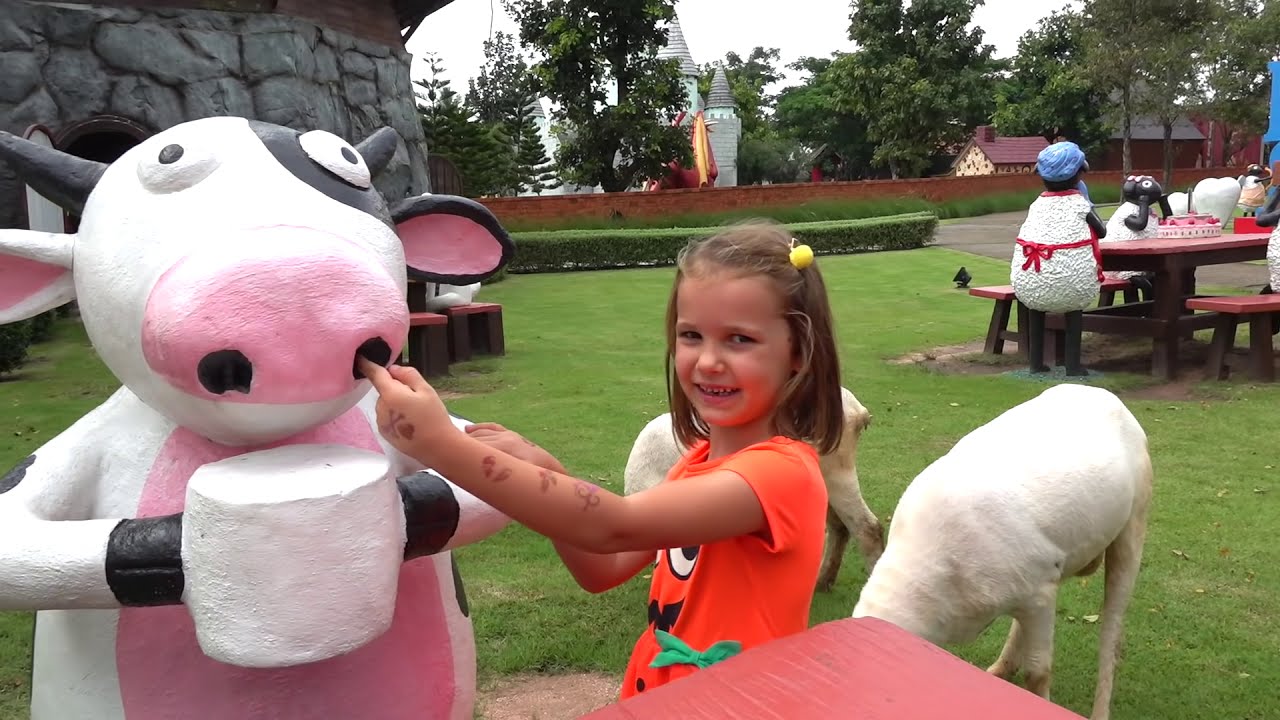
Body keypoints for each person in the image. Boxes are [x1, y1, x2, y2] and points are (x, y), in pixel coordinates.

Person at [357, 220, 845, 699]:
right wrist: (548, 469)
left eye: (740, 339)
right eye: (692, 335)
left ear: (799, 352)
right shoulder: (697, 465)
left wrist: (442, 445)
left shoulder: (779, 475)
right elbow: (603, 568)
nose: (708, 361)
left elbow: (613, 526)